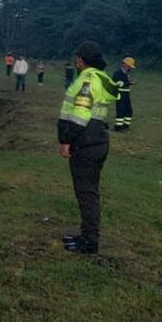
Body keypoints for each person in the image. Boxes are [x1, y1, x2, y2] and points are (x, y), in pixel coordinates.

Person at [59, 41, 119, 254]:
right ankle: (86, 235)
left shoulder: (86, 81)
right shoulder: (101, 78)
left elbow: (80, 116)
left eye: (77, 58)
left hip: (85, 142)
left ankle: (89, 242)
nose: (76, 61)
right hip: (98, 140)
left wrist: (65, 140)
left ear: (81, 60)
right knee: (89, 192)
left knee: (86, 194)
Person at [112, 56, 136, 132]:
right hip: (120, 94)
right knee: (121, 111)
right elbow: (118, 84)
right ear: (125, 65)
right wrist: (129, 83)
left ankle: (126, 126)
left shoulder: (126, 74)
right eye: (129, 67)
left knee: (129, 110)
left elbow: (124, 82)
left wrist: (129, 82)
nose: (130, 69)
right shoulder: (117, 73)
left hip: (126, 94)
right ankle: (118, 127)